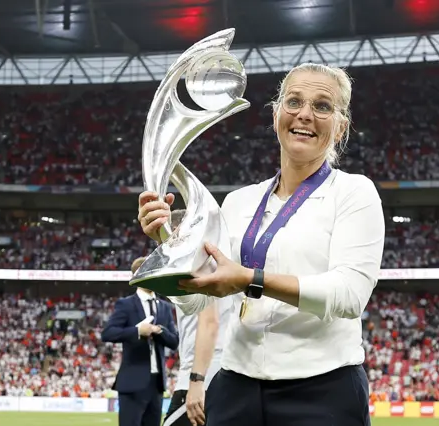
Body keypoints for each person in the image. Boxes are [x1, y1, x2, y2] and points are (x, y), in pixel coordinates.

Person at [137, 62, 385, 426]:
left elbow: (349, 296)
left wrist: (249, 279)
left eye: (322, 106)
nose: (304, 114)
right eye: (294, 101)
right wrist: (168, 244)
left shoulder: (354, 192)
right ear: (275, 115)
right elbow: (195, 300)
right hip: (236, 389)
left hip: (322, 393)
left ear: (340, 127)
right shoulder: (239, 202)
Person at [163, 210, 233, 426]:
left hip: (202, 377)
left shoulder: (198, 265)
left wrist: (196, 381)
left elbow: (209, 322)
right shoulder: (213, 262)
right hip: (216, 372)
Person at [101, 258, 179, 426]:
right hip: (132, 383)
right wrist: (137, 331)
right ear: (137, 275)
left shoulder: (164, 307)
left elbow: (174, 341)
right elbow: (108, 333)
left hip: (157, 384)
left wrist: (159, 331)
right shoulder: (126, 304)